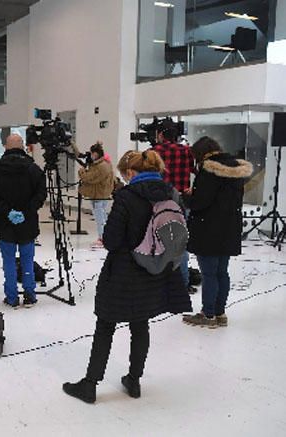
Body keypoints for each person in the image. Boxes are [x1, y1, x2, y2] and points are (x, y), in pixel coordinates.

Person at [62, 150, 191, 404]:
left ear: (131, 172)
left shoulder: (126, 197)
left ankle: (90, 385)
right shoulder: (170, 193)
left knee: (105, 326)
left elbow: (111, 240)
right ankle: (134, 380)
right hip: (153, 271)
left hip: (122, 272)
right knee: (140, 325)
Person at [182, 137, 252, 328]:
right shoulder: (236, 169)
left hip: (209, 228)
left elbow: (200, 203)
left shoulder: (209, 170)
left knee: (209, 273)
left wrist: (188, 197)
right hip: (229, 227)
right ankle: (220, 313)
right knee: (222, 272)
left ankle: (208, 314)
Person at [0, 134, 47, 308]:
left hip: (4, 223)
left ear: (5, 147)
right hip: (27, 224)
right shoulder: (34, 169)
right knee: (27, 260)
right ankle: (29, 295)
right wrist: (27, 211)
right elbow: (41, 194)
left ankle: (11, 297)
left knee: (9, 261)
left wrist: (8, 211)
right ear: (23, 147)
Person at [152, 121, 196, 293]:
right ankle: (182, 284)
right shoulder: (187, 151)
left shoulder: (154, 152)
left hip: (159, 202)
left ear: (161, 135)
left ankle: (159, 282)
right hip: (181, 202)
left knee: (156, 243)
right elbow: (196, 171)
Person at [77, 142, 114, 248]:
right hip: (100, 194)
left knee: (100, 219)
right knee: (102, 217)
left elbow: (89, 178)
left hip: (99, 195)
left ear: (96, 154)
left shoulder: (101, 166)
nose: (91, 156)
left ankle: (102, 238)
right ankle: (105, 237)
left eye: (92, 154)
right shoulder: (102, 164)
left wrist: (82, 171)